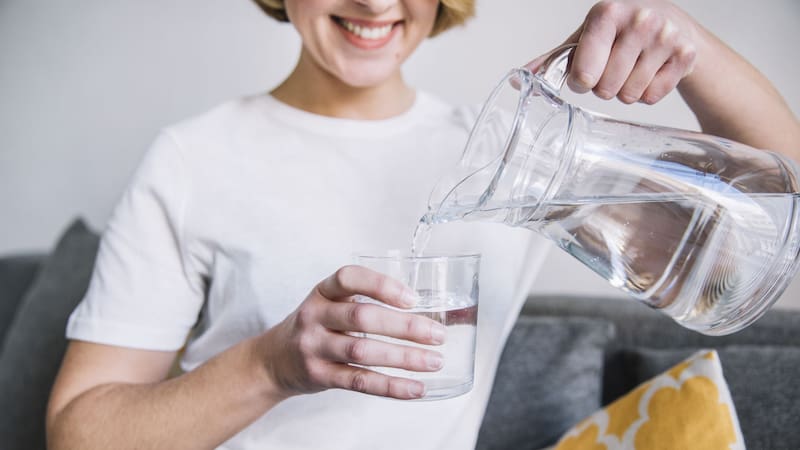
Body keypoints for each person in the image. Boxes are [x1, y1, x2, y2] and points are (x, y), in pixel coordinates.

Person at [46, 1, 800, 449]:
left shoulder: (509, 162)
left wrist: (687, 43)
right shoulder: (193, 158)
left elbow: (778, 211)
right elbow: (78, 433)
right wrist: (271, 365)